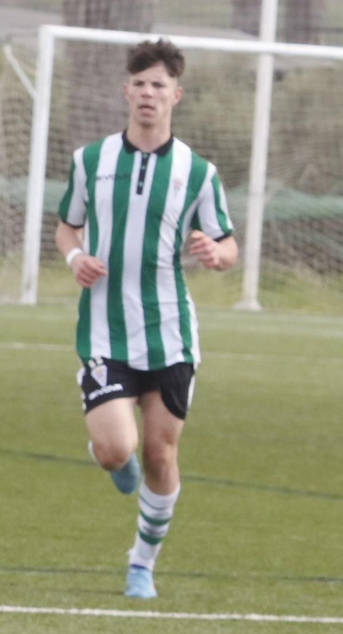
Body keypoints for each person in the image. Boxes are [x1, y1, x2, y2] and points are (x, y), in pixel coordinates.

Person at [54, 38, 236, 600]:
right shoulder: (91, 160)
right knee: (116, 451)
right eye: (140, 84)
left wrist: (216, 253)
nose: (148, 94)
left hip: (170, 333)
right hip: (104, 330)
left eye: (159, 85)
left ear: (175, 95)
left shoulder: (198, 172)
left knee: (160, 453)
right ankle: (113, 457)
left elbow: (229, 246)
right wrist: (74, 258)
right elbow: (67, 226)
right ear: (126, 91)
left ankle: (142, 564)